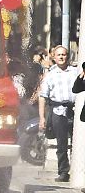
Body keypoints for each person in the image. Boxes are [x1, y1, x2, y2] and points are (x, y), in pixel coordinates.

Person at [38, 45, 78, 182]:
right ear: (54, 57)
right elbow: (43, 97)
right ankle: (63, 172)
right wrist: (42, 118)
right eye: (59, 55)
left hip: (74, 111)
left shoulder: (75, 72)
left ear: (68, 56)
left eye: (64, 54)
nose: (61, 57)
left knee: (77, 143)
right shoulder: (50, 75)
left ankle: (77, 171)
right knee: (61, 144)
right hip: (58, 111)